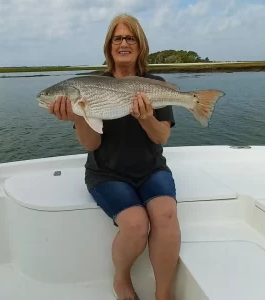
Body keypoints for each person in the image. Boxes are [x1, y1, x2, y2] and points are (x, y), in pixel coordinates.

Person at [49, 13, 181, 300]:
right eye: (117, 38)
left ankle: (164, 295)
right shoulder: (90, 86)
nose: (123, 43)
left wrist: (145, 118)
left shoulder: (155, 83)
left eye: (130, 38)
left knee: (166, 214)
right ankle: (121, 281)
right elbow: (92, 144)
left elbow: (161, 138)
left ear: (140, 45)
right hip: (106, 172)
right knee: (135, 225)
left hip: (150, 169)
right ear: (109, 46)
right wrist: (79, 116)